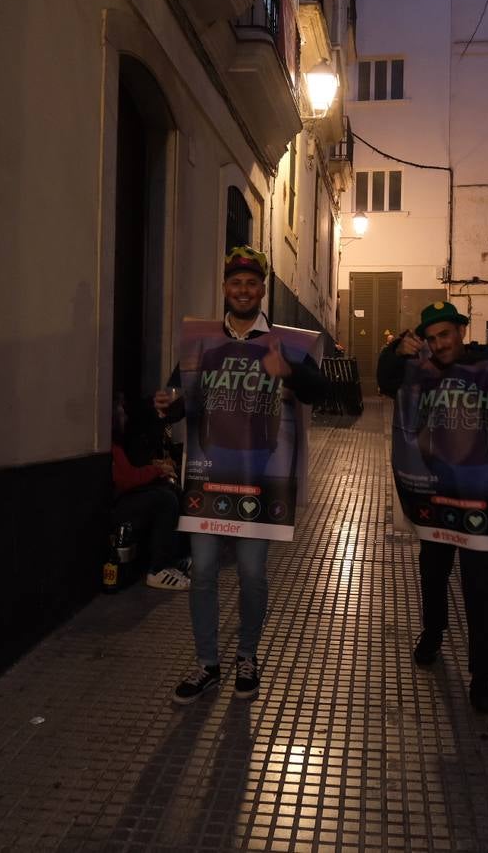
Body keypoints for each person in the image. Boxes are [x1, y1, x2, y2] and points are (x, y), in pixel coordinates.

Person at [155, 246, 329, 704]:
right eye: (236, 282)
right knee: (206, 571)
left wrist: (287, 372)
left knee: (252, 573)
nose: (244, 290)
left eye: (252, 282)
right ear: (226, 288)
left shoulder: (286, 342)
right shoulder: (204, 341)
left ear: (262, 289)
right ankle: (206, 663)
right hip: (209, 476)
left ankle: (247, 655)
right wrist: (166, 404)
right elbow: (180, 396)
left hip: (263, 478)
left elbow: (323, 391)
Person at [376, 301, 488, 712]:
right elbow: (385, 380)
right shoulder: (418, 366)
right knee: (432, 574)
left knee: (479, 589)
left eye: (445, 335)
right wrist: (394, 349)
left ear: (461, 331)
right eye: (431, 338)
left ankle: (482, 677)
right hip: (434, 493)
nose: (439, 344)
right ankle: (433, 634)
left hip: (482, 500)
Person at [113, 393, 189, 590]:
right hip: (118, 504)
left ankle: (174, 559)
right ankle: (158, 569)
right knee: (165, 500)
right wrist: (156, 470)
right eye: (120, 412)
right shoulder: (115, 444)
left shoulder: (126, 438)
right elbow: (127, 479)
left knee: (173, 492)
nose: (124, 416)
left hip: (127, 497)